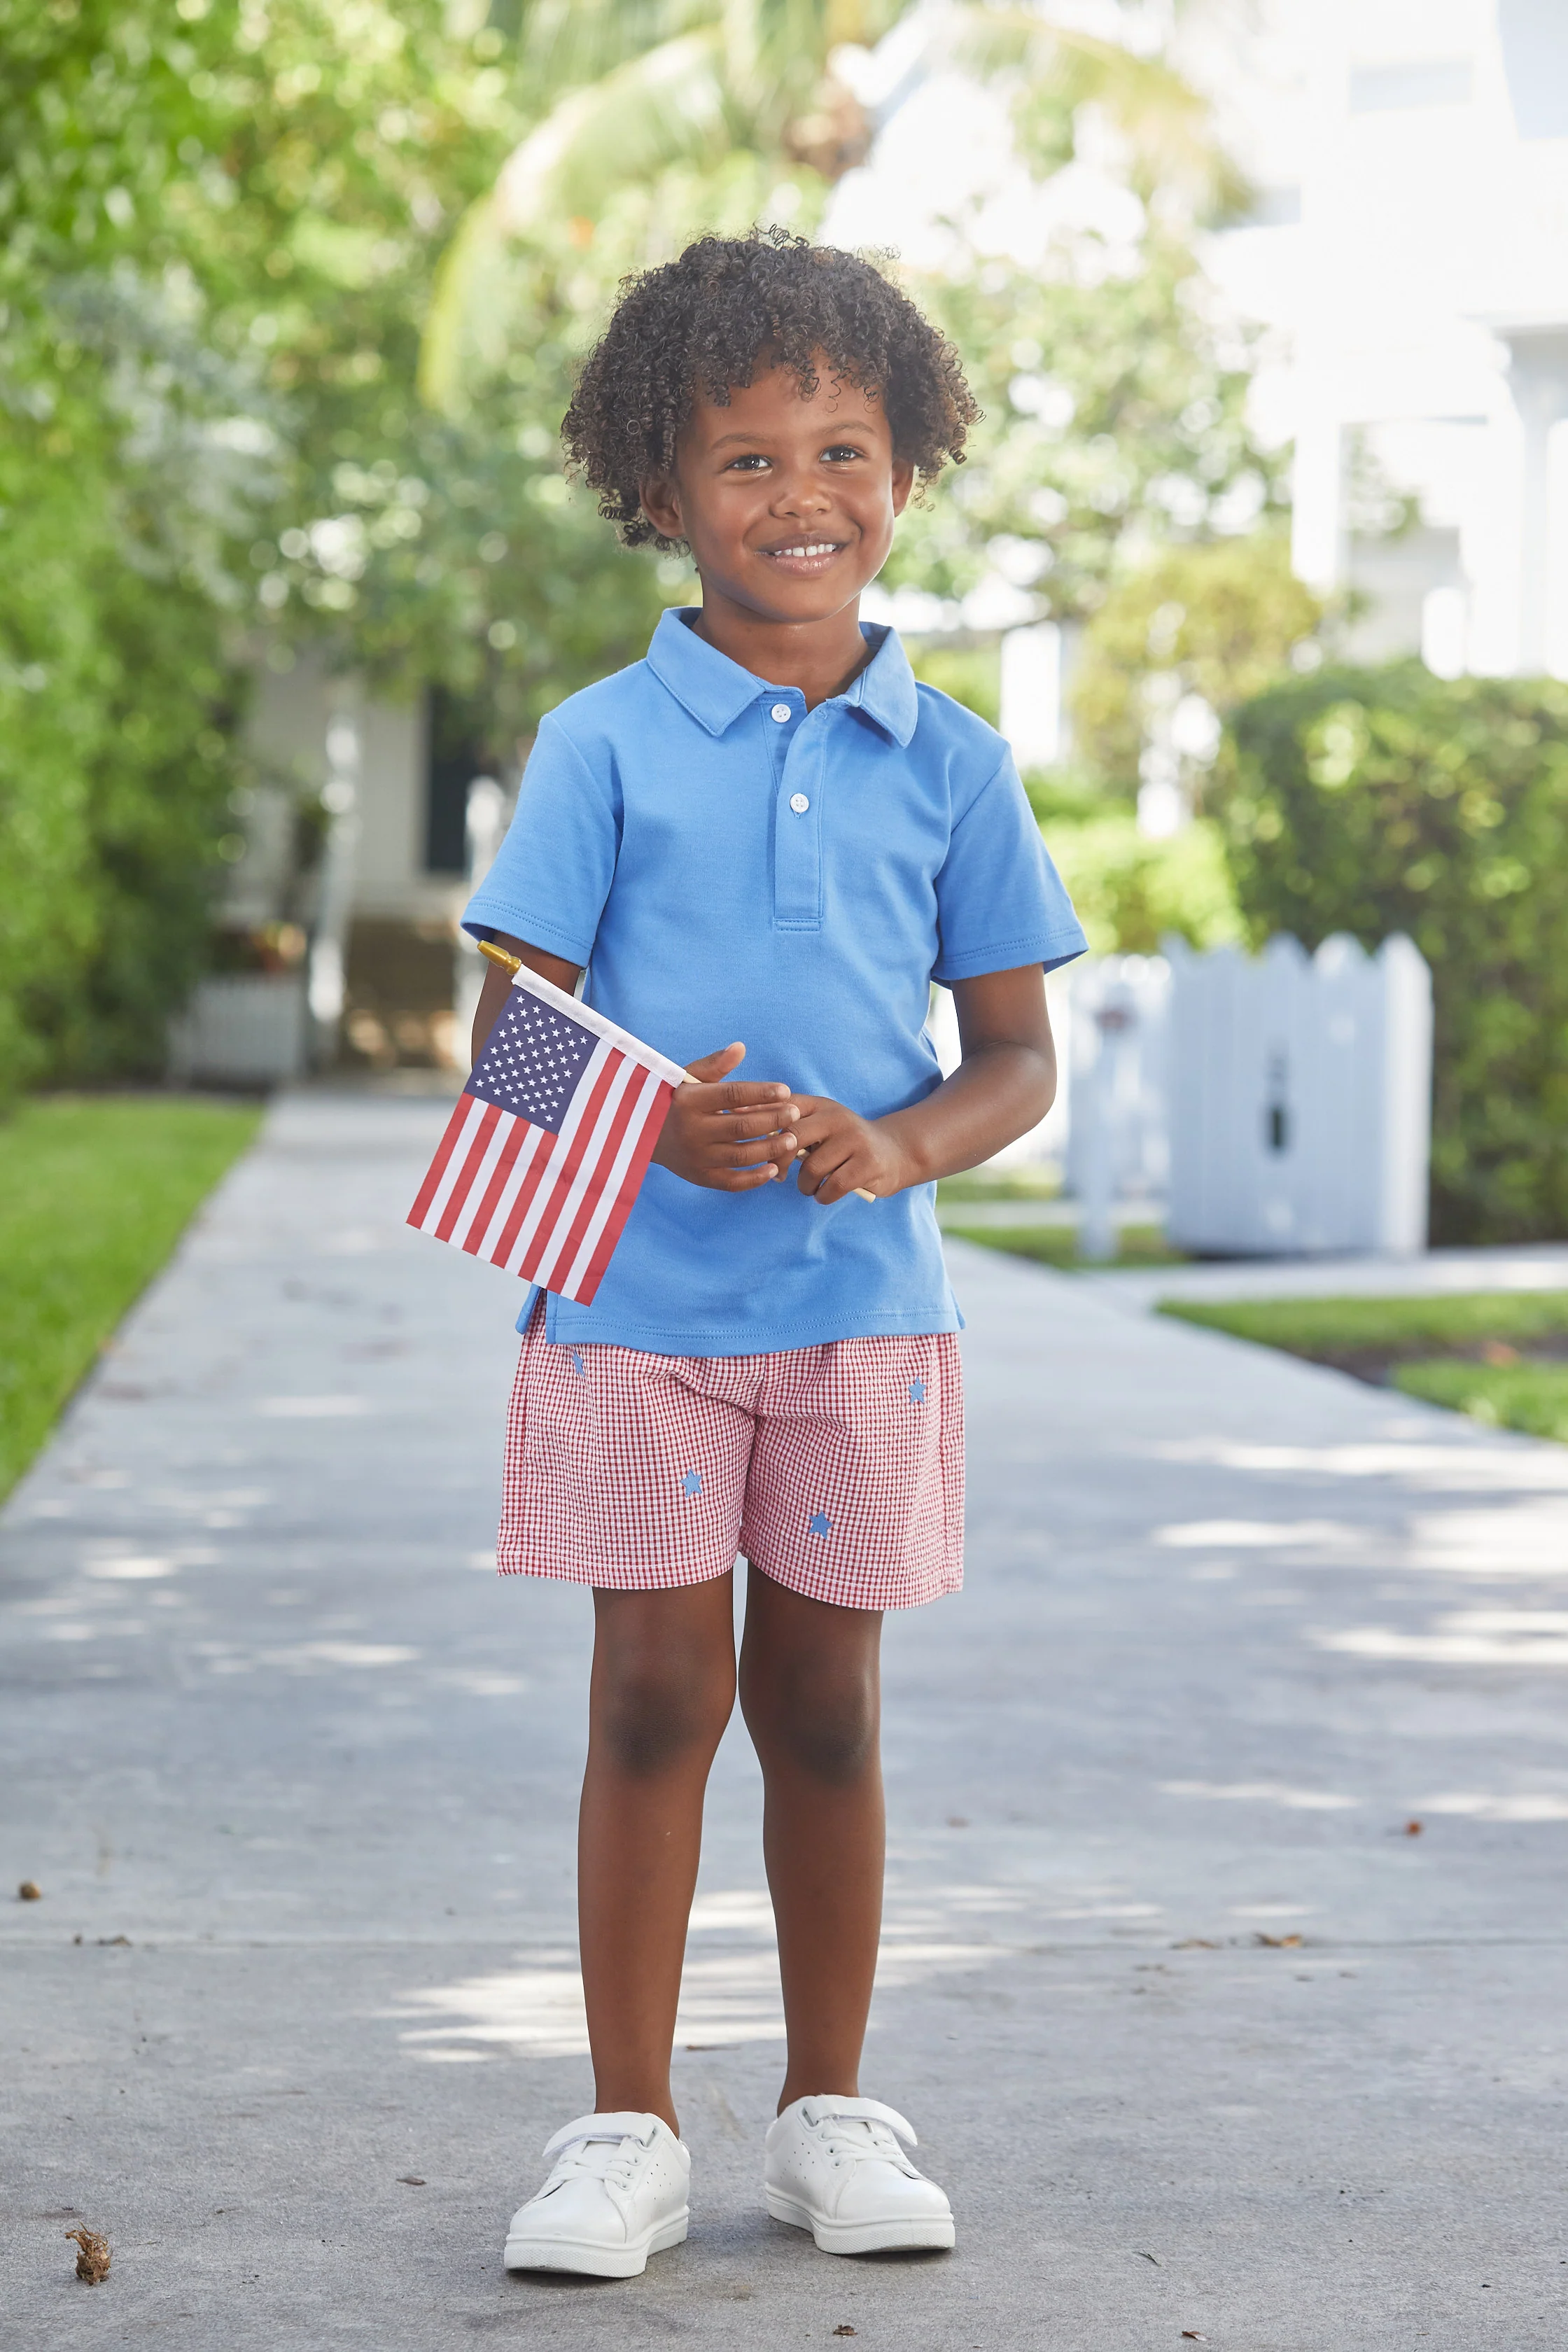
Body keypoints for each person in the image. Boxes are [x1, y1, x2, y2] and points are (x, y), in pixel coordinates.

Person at [461, 228, 1086, 2280]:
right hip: (635, 1316)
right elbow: (508, 1038)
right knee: (654, 1700)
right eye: (746, 459)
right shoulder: (601, 743)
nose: (801, 493)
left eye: (845, 448)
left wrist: (889, 1140)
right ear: (659, 489)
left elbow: (1014, 1060)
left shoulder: (958, 760)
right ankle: (625, 2128)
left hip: (862, 1327)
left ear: (910, 469)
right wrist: (657, 1118)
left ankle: (831, 2109)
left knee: (827, 1710)